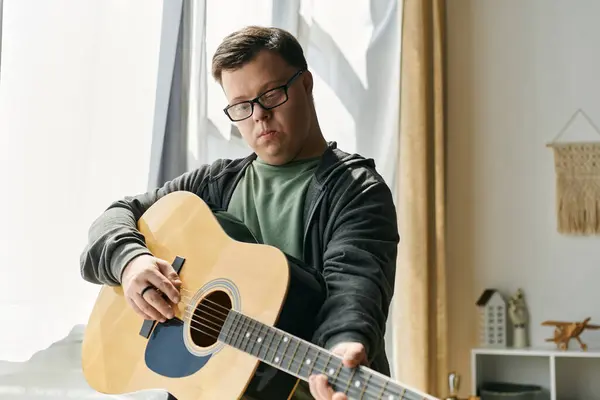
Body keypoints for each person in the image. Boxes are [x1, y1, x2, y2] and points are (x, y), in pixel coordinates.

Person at [80, 25, 399, 400]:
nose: (259, 116)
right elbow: (116, 216)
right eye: (242, 106)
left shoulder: (357, 190)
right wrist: (131, 262)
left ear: (307, 85)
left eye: (272, 94)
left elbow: (356, 282)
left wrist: (344, 344)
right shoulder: (213, 185)